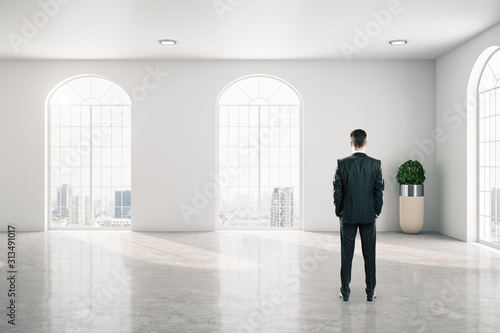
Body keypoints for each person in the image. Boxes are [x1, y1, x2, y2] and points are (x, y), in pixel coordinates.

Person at [333, 129, 384, 302]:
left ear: (351, 143)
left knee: (346, 255)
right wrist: (376, 210)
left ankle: (345, 292)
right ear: (366, 143)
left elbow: (337, 192)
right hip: (368, 216)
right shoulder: (375, 164)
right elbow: (379, 191)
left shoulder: (342, 164)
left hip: (347, 216)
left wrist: (339, 211)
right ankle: (370, 292)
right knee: (370, 255)